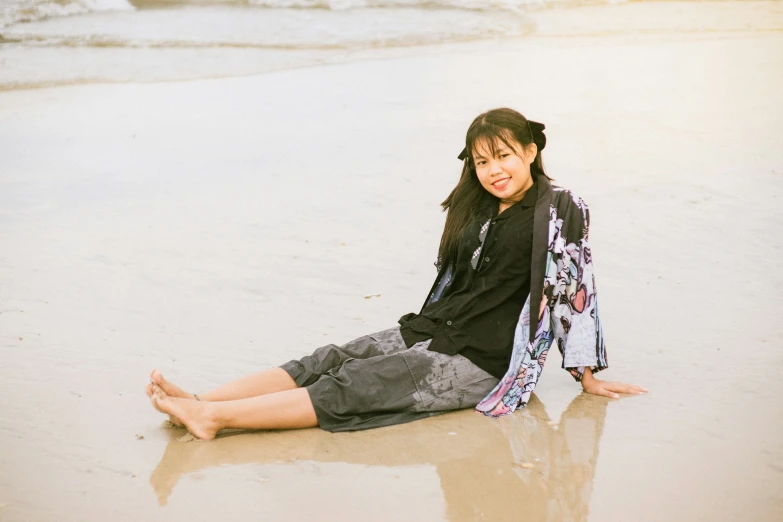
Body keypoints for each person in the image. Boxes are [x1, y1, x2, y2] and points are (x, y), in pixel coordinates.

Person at [145, 108, 647, 440]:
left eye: (503, 156)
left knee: (358, 382)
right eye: (481, 162)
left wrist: (586, 375)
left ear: (530, 152)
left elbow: (574, 290)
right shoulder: (478, 210)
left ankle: (214, 419)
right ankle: (200, 399)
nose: (493, 170)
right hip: (435, 329)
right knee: (331, 357)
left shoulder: (560, 207)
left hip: (486, 358)